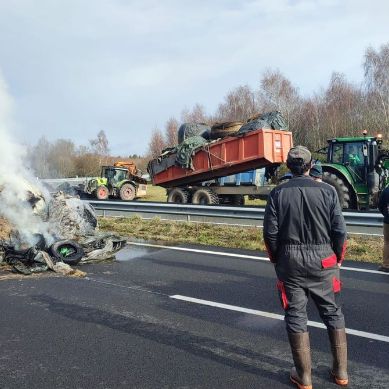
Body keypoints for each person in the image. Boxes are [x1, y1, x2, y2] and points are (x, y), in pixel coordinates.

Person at [263, 145, 348, 389]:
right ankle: (341, 372)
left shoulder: (277, 193)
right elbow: (340, 232)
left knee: (296, 315)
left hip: (290, 262)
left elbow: (270, 235)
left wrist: (277, 258)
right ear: (311, 165)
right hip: (325, 260)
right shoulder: (328, 191)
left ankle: (304, 377)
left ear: (289, 167)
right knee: (333, 313)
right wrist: (338, 257)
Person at [378, 186, 389, 272]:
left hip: (388, 221)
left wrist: (386, 214)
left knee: (387, 242)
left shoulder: (386, 191)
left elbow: (380, 206)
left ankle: (386, 265)